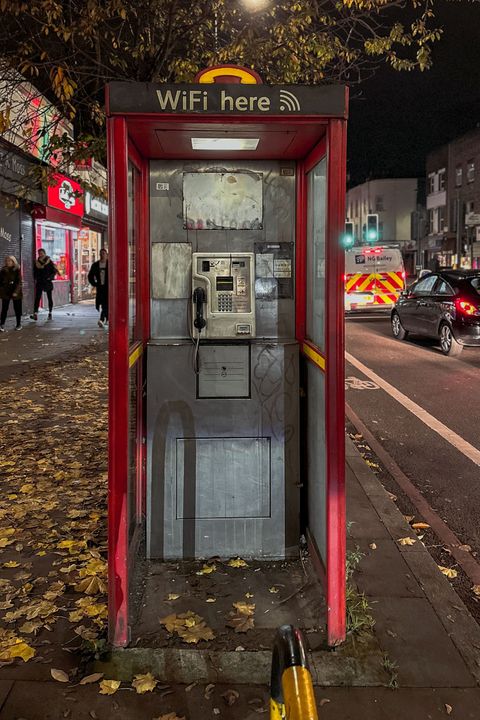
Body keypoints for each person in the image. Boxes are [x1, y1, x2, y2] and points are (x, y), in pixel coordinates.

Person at [31, 248, 57, 320]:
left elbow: (54, 271)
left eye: (42, 253)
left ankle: (50, 312)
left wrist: (50, 278)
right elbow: (34, 272)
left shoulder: (49, 262)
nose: (41, 254)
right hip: (40, 282)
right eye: (39, 253)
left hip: (47, 282)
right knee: (37, 298)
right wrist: (36, 278)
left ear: (45, 253)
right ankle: (35, 313)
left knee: (49, 297)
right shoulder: (36, 262)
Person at [0, 255, 23, 332]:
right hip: (6, 292)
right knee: (4, 309)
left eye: (9, 261)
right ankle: (2, 325)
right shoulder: (3, 270)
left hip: (15, 292)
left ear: (13, 262)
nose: (7, 262)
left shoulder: (17, 270)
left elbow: (19, 282)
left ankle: (18, 324)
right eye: (6, 261)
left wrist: (16, 292)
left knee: (17, 308)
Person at [88, 248, 109, 328]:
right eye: (101, 253)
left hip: (108, 288)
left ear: (106, 255)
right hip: (100, 288)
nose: (102, 255)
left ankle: (102, 319)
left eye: (104, 253)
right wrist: (94, 283)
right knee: (103, 304)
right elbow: (90, 276)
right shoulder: (96, 265)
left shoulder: (110, 264)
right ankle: (105, 318)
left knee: (106, 304)